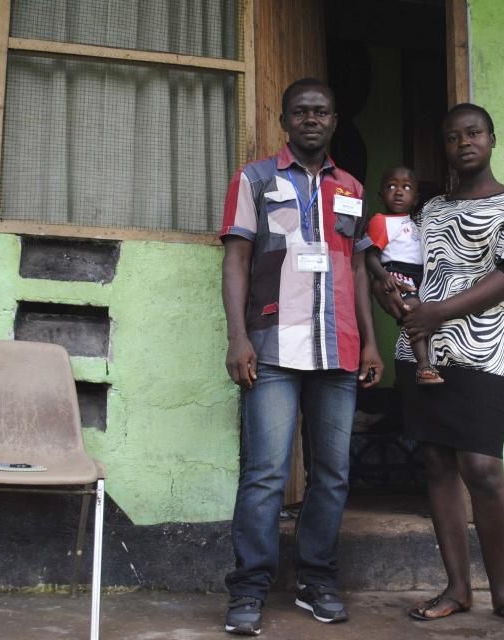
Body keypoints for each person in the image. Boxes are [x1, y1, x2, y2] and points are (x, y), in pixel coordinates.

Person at [219, 77, 384, 636]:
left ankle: (316, 580)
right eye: (300, 112)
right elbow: (237, 259)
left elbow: (360, 269)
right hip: (270, 346)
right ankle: (249, 589)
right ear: (285, 121)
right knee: (265, 473)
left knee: (332, 475)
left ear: (334, 121)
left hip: (338, 350)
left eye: (321, 111)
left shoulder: (354, 187)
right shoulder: (255, 179)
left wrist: (371, 340)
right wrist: (237, 336)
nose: (311, 119)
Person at [382, 103, 504, 631]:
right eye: (453, 137)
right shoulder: (429, 211)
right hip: (421, 352)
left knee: (482, 468)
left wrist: (439, 312)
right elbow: (408, 269)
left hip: (487, 352)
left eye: (473, 133)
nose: (464, 143)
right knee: (436, 464)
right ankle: (457, 587)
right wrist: (397, 299)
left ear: (492, 139)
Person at [365, 167, 443, 384]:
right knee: (413, 311)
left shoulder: (415, 223)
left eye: (406, 188)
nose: (398, 192)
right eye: (391, 187)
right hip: (396, 272)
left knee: (428, 312)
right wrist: (383, 277)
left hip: (418, 275)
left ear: (415, 198)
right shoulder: (381, 221)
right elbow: (370, 257)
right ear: (381, 195)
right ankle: (424, 366)